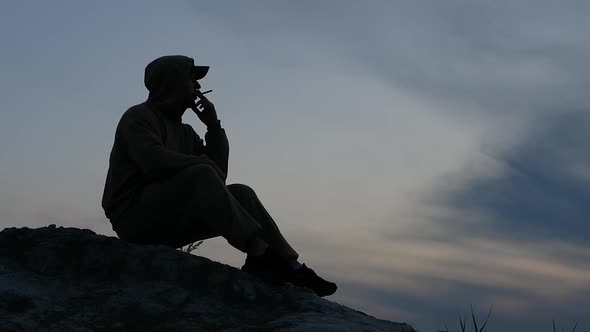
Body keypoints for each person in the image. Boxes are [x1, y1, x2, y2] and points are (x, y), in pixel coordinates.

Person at [101, 55, 337, 297]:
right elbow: (154, 162)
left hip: (167, 220)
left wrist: (213, 127)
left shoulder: (185, 132)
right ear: (174, 83)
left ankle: (291, 265)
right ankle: (259, 252)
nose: (198, 87)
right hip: (134, 218)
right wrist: (202, 164)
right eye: (193, 79)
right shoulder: (138, 117)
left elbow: (218, 178)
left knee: (240, 193)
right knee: (201, 172)